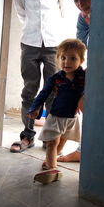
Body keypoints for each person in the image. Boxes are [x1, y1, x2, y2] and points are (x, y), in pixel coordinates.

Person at [10, 0, 65, 152]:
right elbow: (20, 8)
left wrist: (55, 31)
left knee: (53, 92)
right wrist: (32, 29)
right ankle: (27, 136)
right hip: (30, 41)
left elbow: (62, 5)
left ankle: (49, 139)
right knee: (29, 91)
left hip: (53, 42)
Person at [27, 38, 86, 184]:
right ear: (58, 58)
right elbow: (43, 93)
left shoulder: (83, 77)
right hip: (56, 116)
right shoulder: (55, 78)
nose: (67, 62)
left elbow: (88, 89)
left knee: (62, 139)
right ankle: (52, 169)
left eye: (73, 58)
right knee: (52, 142)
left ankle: (49, 161)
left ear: (81, 60)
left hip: (72, 117)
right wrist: (35, 108)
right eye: (63, 58)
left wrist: (83, 98)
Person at [57, 0, 93, 162]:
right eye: (75, 0)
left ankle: (84, 150)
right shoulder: (82, 18)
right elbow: (81, 51)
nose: (81, 4)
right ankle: (82, 149)